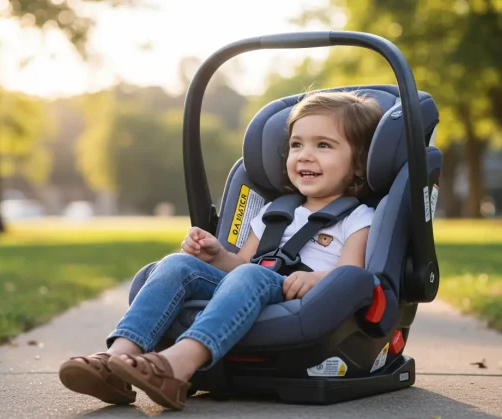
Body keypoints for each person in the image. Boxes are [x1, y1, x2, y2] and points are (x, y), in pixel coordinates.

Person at [58, 91, 384, 410]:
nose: (305, 155)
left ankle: (178, 365)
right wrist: (215, 255)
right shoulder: (273, 212)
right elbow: (240, 264)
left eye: (323, 145)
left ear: (358, 164)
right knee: (177, 264)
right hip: (251, 283)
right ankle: (116, 360)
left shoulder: (357, 217)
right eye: (296, 145)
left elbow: (354, 275)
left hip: (303, 297)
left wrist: (318, 280)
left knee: (252, 274)